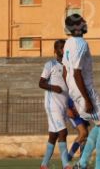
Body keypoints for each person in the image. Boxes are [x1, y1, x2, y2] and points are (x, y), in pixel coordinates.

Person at [61, 14, 100, 169]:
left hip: (75, 90)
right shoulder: (80, 43)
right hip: (84, 90)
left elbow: (65, 71)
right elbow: (76, 72)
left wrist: (72, 94)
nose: (85, 23)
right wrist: (86, 99)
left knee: (98, 126)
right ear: (76, 27)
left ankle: (82, 163)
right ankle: (99, 166)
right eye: (81, 21)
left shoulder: (68, 43)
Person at [38, 39, 72, 169]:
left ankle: (44, 164)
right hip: (53, 105)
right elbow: (41, 83)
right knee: (63, 132)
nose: (63, 50)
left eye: (65, 47)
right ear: (55, 51)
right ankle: (66, 165)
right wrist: (53, 87)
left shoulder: (68, 66)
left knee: (53, 136)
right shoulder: (50, 64)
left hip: (63, 105)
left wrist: (70, 105)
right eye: (60, 48)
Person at [66, 97, 90, 162]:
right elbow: (62, 93)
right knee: (83, 133)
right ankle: (68, 158)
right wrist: (67, 108)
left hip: (82, 110)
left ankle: (82, 161)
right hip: (73, 111)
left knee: (84, 135)